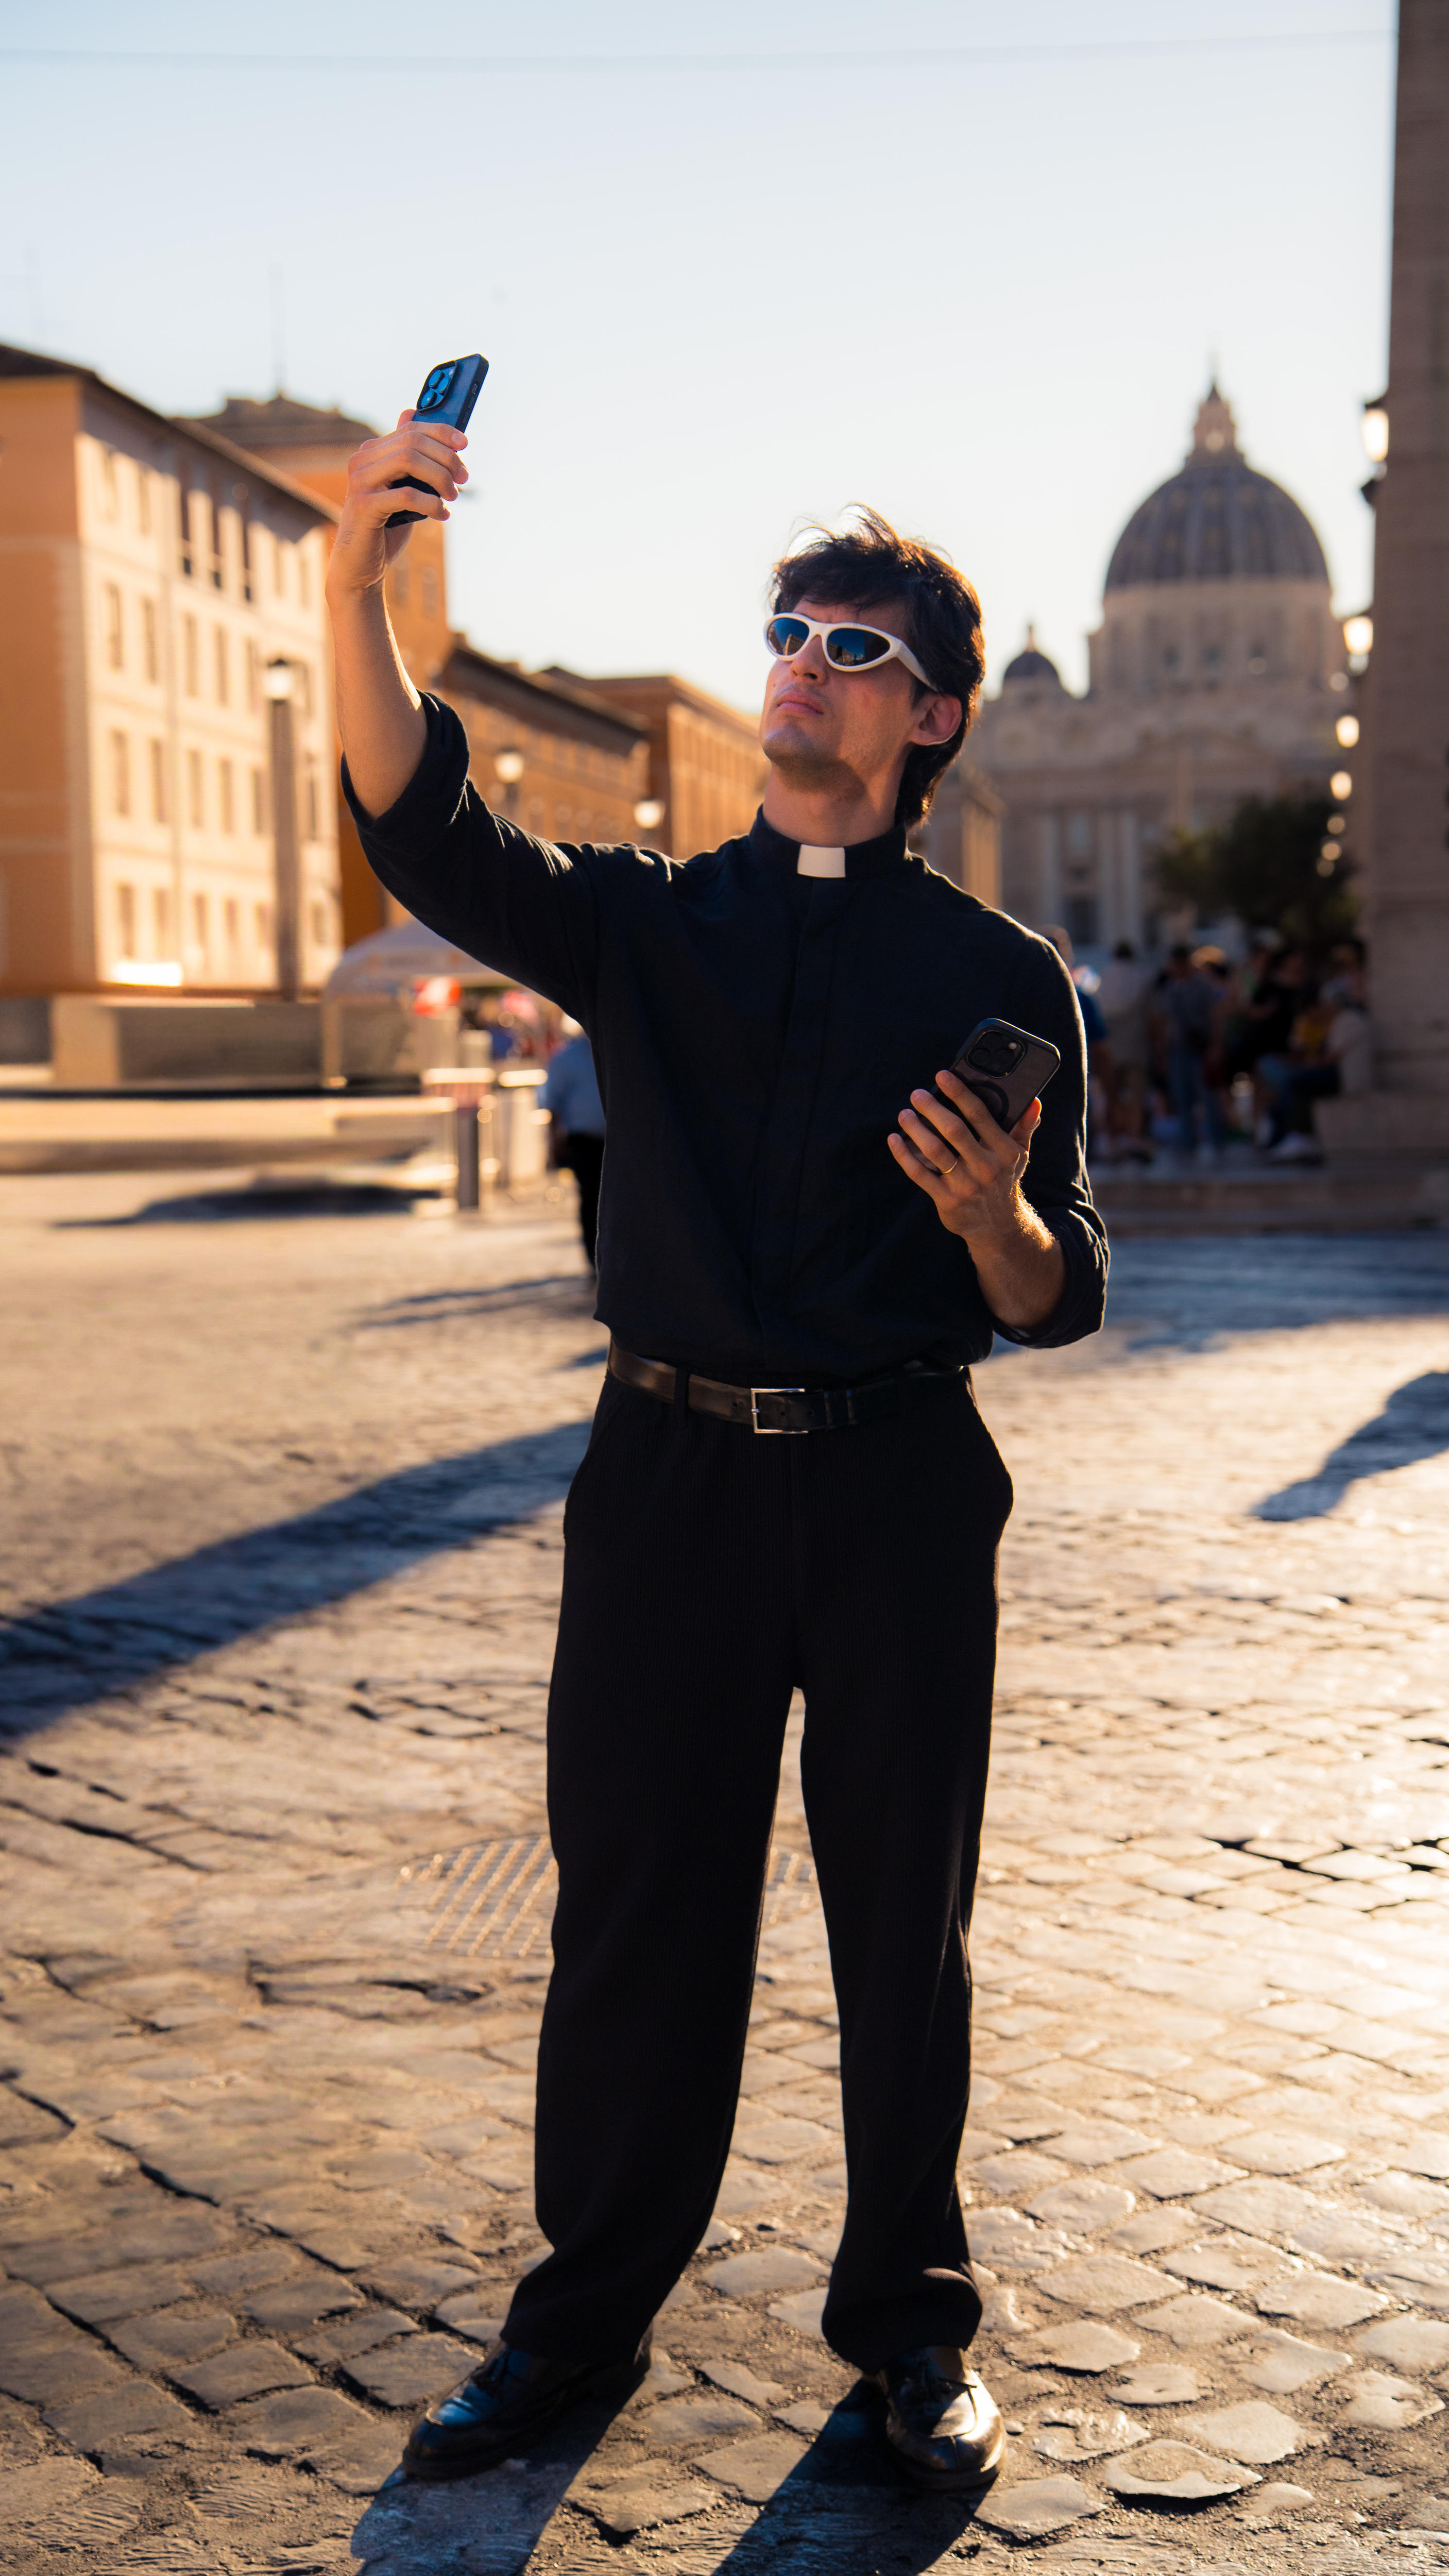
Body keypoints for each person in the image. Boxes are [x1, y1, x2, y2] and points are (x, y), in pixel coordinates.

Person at [326, 412, 1106, 2498]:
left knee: (895, 1927)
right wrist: (355, 581)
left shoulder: (1000, 975)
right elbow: (429, 834)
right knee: (638, 1914)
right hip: (661, 1481)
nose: (801, 664)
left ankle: (906, 2335)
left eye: (850, 645)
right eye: (784, 631)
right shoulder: (650, 922)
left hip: (894, 1492)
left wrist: (987, 1221)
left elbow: (1058, 1296)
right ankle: (574, 2328)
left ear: (931, 712)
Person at [542, 1020, 606, 1269]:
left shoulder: (615, 1052)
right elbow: (554, 1103)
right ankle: (595, 1259)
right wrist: (554, 1142)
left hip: (615, 1139)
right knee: (591, 1198)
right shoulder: (566, 1057)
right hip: (585, 1140)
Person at [1160, 943, 1224, 1156]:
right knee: (1182, 1096)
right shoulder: (1170, 988)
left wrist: (1215, 1045)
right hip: (1178, 1048)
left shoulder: (1203, 987)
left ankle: (1217, 1140)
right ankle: (1188, 1142)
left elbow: (1215, 1015)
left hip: (1201, 1047)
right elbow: (1165, 1021)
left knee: (1208, 1096)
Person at [1095, 940, 1151, 1161]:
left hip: (1109, 1047)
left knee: (1111, 1096)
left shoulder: (1103, 979)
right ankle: (1134, 1138)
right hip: (1136, 1045)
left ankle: (1112, 1141)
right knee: (1136, 1097)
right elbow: (1153, 1017)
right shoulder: (1143, 978)